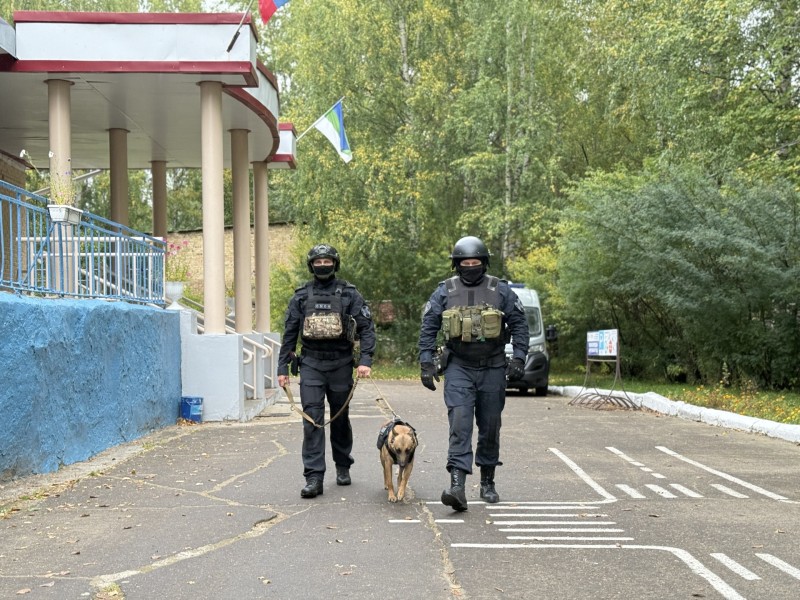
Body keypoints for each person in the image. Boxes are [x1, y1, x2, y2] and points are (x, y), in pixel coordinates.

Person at [418, 236, 529, 511]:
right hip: (459, 367)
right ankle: (457, 486)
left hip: (492, 367)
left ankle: (488, 480)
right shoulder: (444, 291)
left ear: (484, 263)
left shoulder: (500, 290)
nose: (470, 266)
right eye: (465, 262)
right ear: (457, 265)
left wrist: (518, 358)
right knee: (460, 423)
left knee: (490, 426)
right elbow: (428, 326)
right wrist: (426, 363)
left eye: (475, 262)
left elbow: (519, 324)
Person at [277, 244, 376, 498]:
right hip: (310, 364)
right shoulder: (301, 295)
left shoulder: (349, 294)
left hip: (341, 364)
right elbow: (289, 332)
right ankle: (314, 477)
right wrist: (282, 368)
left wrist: (365, 360)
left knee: (340, 419)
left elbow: (366, 327)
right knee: (312, 420)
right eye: (318, 261)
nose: (323, 265)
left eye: (327, 261)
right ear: (311, 265)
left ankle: (343, 465)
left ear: (335, 263)